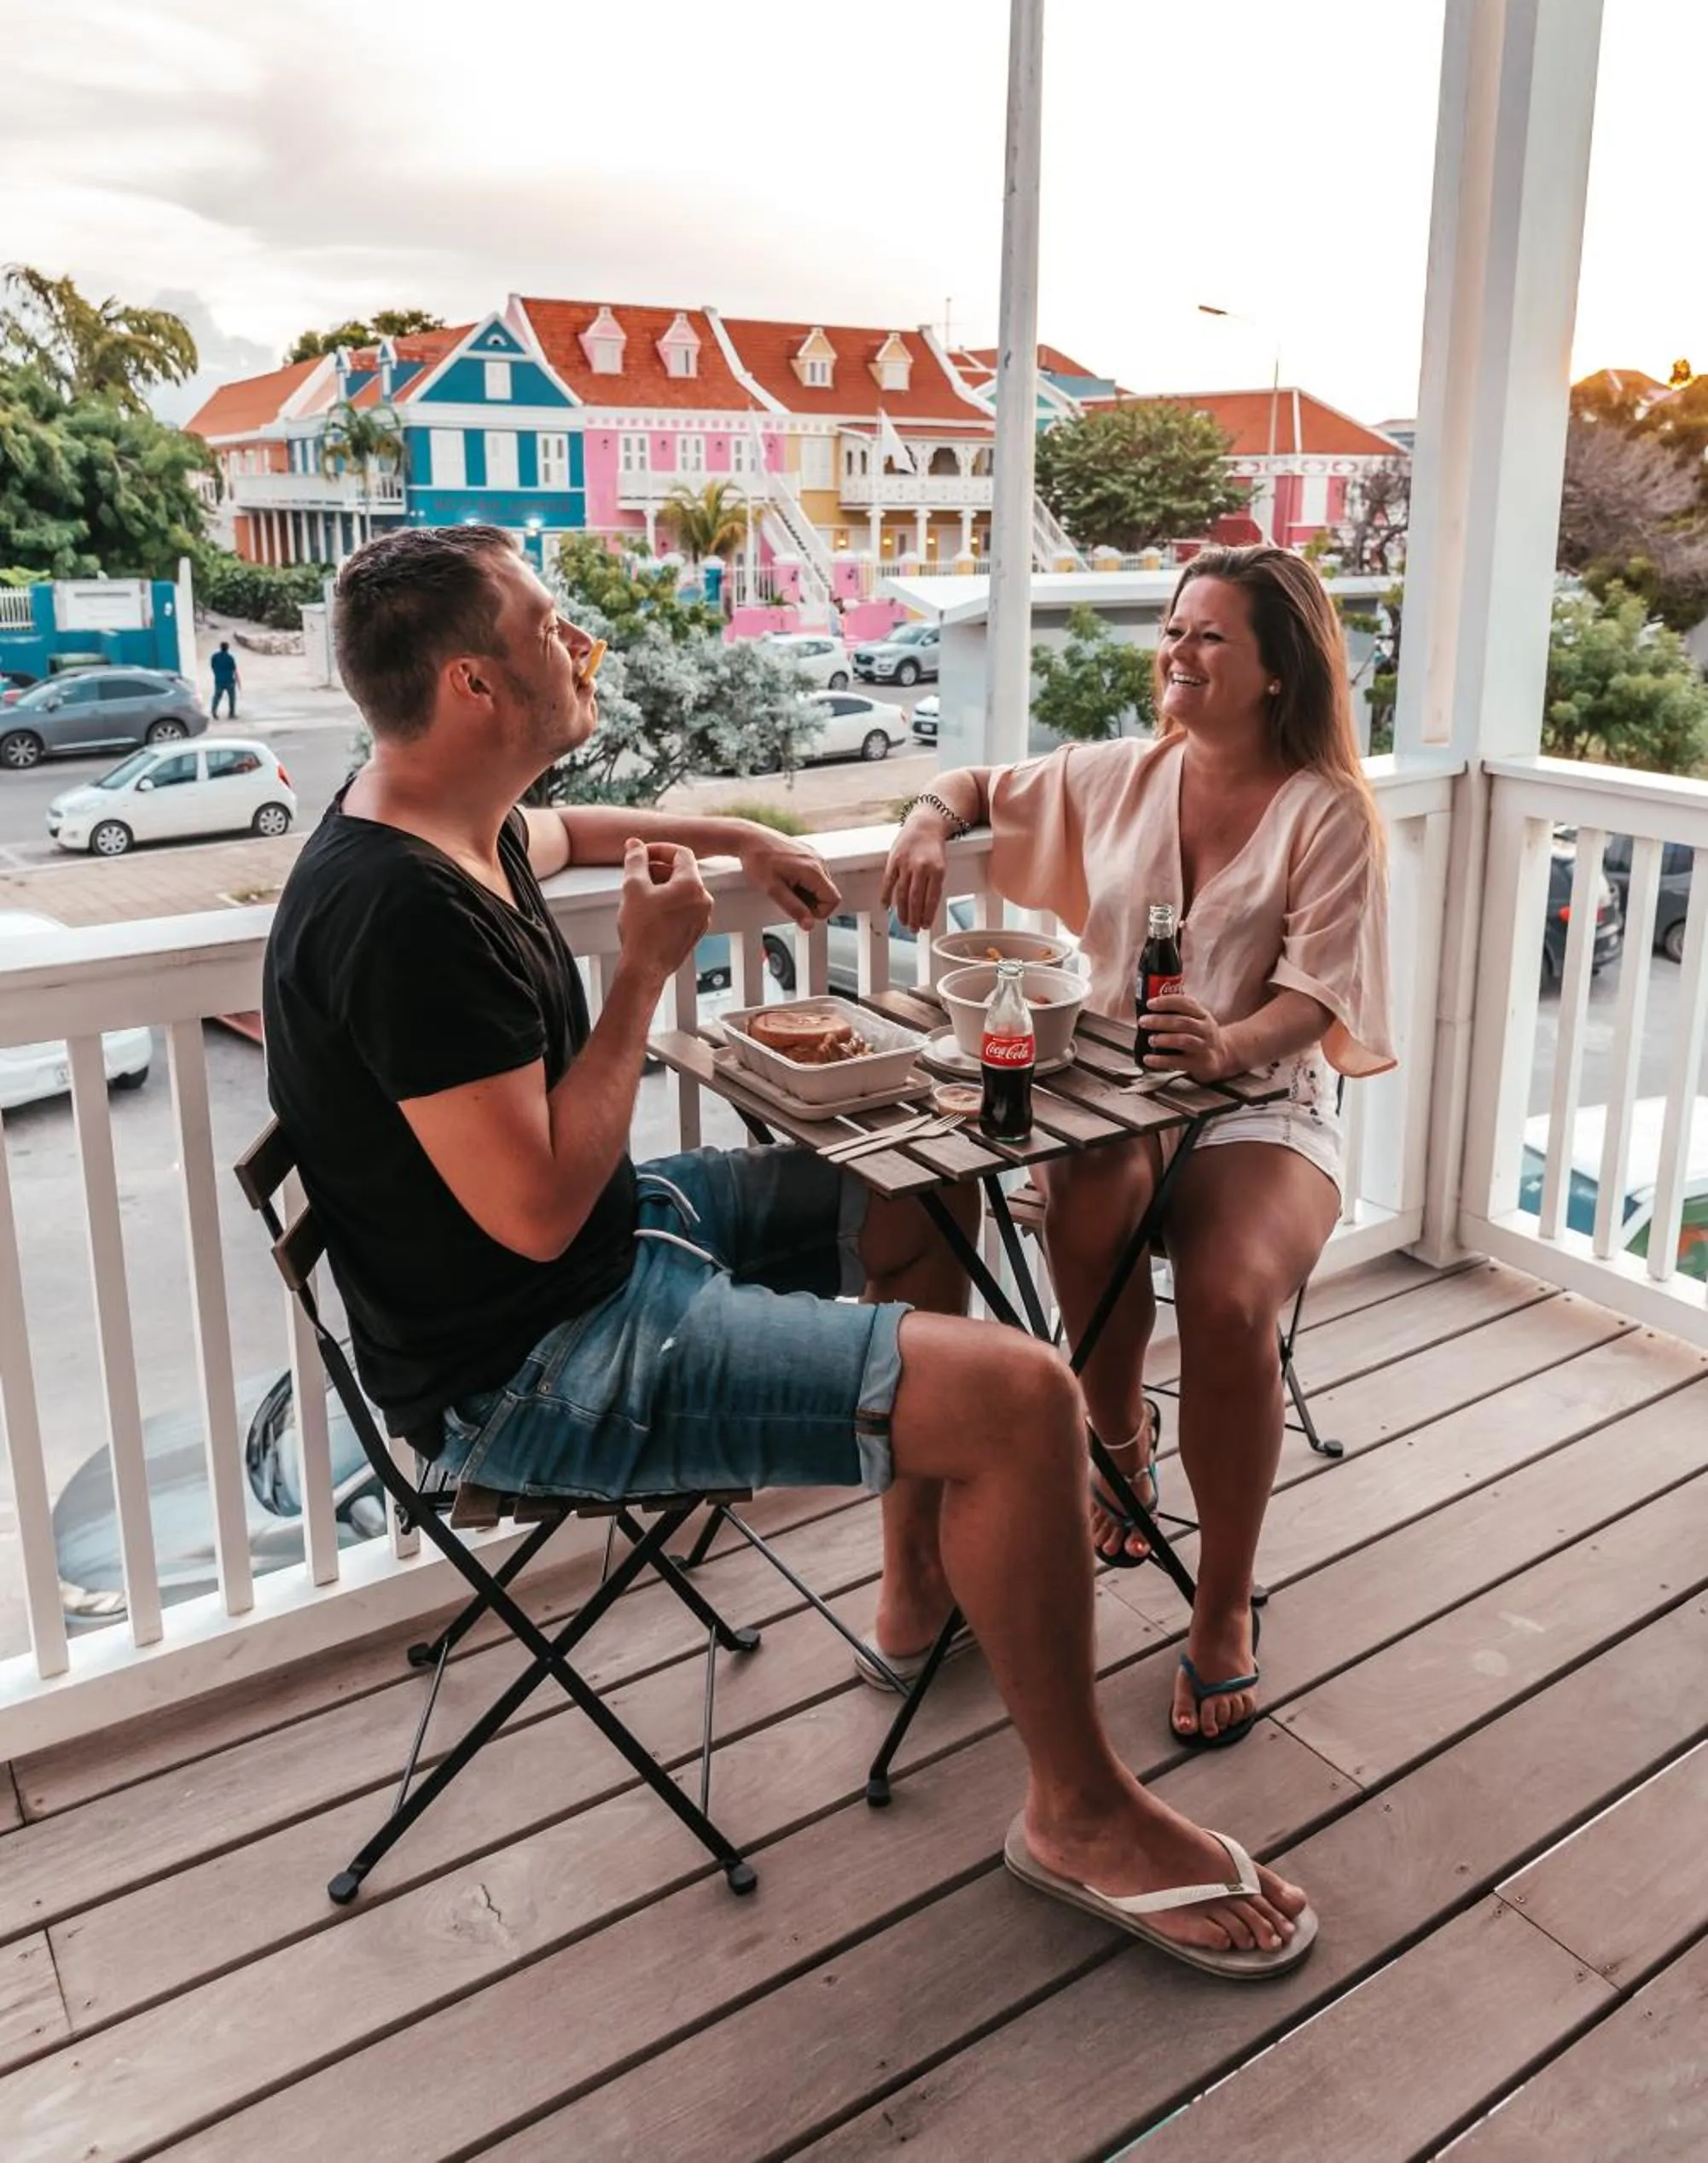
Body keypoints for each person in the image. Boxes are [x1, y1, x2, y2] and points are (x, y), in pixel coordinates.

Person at [262, 525, 1315, 1979]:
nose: (582, 644)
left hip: (587, 1267)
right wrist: (638, 977)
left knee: (902, 1201)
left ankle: (917, 1582)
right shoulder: (397, 921)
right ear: (472, 687)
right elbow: (542, 1212)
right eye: (552, 626)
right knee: (1024, 1400)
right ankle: (1080, 1812)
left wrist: (738, 839)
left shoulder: (446, 810)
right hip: (538, 1364)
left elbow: (577, 834)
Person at [884, 544, 1393, 1750]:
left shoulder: (1329, 816)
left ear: (1277, 671)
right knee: (1082, 1189)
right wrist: (916, 825)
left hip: (1257, 1103)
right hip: (1111, 1090)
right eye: (1172, 630)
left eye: (1209, 636)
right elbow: (969, 787)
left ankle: (1220, 1605)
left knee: (1221, 1303)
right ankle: (1118, 1446)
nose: (1176, 652)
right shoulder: (1121, 774)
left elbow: (1315, 1001)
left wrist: (1226, 1044)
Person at [209, 640, 240, 718]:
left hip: (219, 680)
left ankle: (214, 711)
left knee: (217, 697)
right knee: (232, 698)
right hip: (229, 681)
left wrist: (217, 674)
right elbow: (234, 670)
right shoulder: (230, 658)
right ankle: (231, 713)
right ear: (227, 648)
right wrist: (238, 681)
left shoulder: (215, 656)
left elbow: (212, 666)